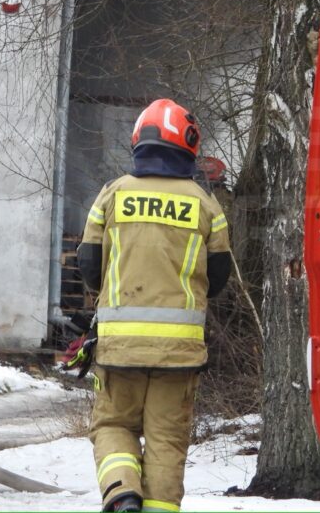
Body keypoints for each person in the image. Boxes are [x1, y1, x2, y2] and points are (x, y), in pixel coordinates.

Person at [78, 98, 232, 512]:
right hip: (178, 354)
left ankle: (122, 492)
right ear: (189, 145)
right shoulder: (206, 205)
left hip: (119, 349)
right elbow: (218, 279)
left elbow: (89, 266)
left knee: (112, 424)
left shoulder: (110, 195)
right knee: (166, 439)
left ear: (138, 143)